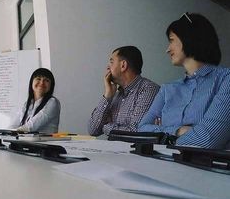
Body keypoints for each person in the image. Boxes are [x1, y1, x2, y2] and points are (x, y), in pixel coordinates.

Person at [139, 13, 230, 149]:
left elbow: (206, 140)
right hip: (159, 163)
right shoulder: (167, 89)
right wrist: (178, 131)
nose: (167, 49)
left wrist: (161, 132)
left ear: (189, 38)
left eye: (171, 40)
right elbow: (141, 129)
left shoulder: (225, 79)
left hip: (203, 167)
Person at [88, 46, 159, 136]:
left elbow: (136, 132)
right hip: (113, 149)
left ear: (123, 65)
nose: (107, 67)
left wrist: (106, 127)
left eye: (111, 62)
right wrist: (107, 96)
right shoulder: (116, 95)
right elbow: (92, 130)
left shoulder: (149, 90)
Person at [10, 68, 61, 133]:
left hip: (43, 142)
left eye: (46, 80)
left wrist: (13, 132)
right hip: (25, 141)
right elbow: (13, 125)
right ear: (32, 82)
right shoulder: (27, 104)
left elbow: (30, 127)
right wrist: (5, 132)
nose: (42, 83)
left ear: (51, 86)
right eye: (38, 79)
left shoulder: (53, 102)